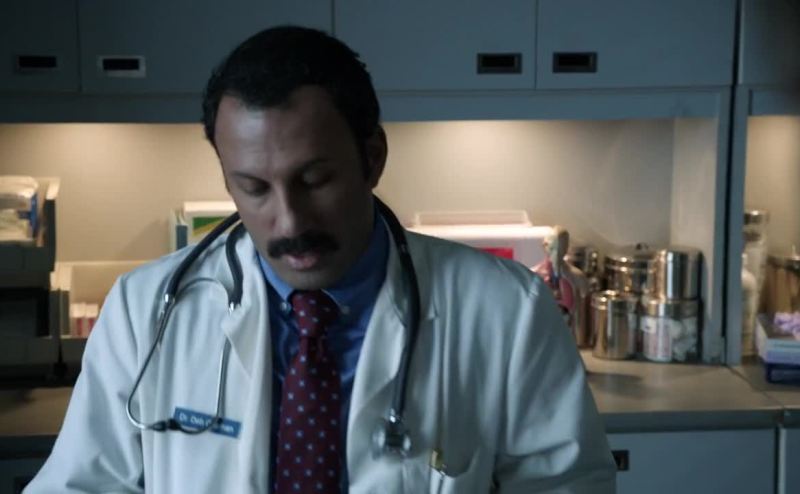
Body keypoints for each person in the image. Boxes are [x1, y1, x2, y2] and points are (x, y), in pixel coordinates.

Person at [26, 26, 616, 493]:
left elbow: (566, 485)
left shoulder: (507, 312)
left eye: (314, 180)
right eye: (254, 188)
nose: (289, 223)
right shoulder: (145, 311)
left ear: (373, 157)